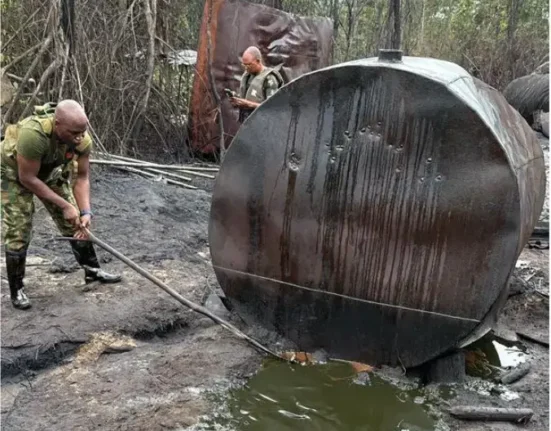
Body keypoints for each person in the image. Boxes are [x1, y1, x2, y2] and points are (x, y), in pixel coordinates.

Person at [1, 100, 121, 310]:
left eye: (83, 132)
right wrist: (65, 205)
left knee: (76, 224)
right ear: (57, 125)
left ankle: (92, 272)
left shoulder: (82, 140)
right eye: (74, 132)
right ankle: (17, 289)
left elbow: (82, 178)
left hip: (47, 172)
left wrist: (85, 211)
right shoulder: (33, 134)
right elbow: (27, 178)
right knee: (19, 228)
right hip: (13, 174)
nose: (79, 137)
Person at [230, 46, 284, 123]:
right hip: (246, 124)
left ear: (258, 61)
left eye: (249, 65)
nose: (246, 68)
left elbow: (272, 108)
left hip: (261, 125)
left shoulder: (269, 79)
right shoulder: (248, 76)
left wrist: (248, 104)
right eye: (244, 65)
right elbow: (250, 97)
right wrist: (237, 99)